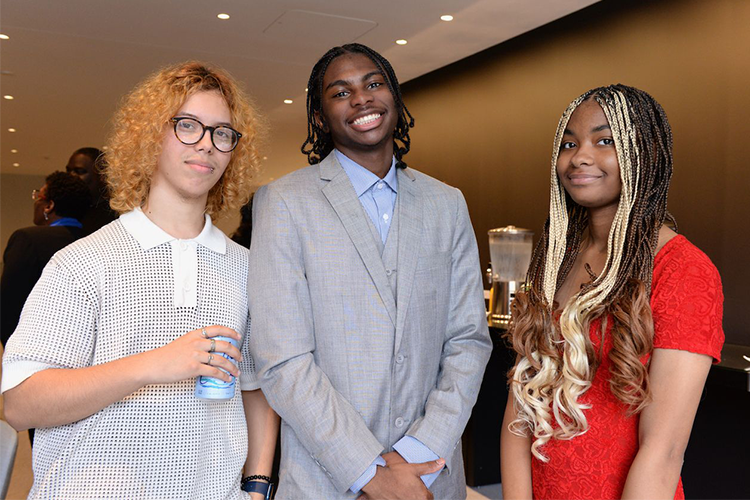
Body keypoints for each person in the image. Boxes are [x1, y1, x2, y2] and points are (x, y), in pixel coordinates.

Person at [1, 61, 279, 500]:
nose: (206, 144)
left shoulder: (248, 269)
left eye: (221, 133)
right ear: (151, 135)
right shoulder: (82, 263)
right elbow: (20, 404)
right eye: (187, 125)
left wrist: (257, 486)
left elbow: (254, 388)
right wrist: (155, 364)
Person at [248, 43, 492, 500]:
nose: (362, 99)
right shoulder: (284, 202)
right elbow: (282, 359)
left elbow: (468, 341)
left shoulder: (446, 203)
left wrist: (419, 451)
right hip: (329, 481)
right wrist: (369, 472)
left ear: (395, 98)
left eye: (374, 84)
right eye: (341, 92)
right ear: (320, 116)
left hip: (431, 476)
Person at [500, 85, 724, 499]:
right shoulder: (555, 261)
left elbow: (664, 450)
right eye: (569, 143)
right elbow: (520, 410)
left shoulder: (683, 270)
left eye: (605, 141)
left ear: (646, 157)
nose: (579, 156)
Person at [1, 171, 90, 348]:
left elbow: (8, 304)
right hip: (82, 350)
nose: (35, 202)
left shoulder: (28, 239)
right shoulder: (97, 241)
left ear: (49, 205)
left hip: (35, 346)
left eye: (38, 196)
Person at [65, 146, 118, 234]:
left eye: (79, 171)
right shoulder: (68, 211)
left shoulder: (116, 214)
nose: (71, 176)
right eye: (68, 171)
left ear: (102, 175)